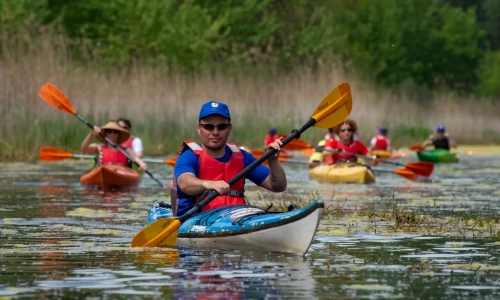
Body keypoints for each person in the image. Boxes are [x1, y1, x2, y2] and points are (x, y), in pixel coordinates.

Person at [173, 101, 287, 216]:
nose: (215, 132)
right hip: (196, 220)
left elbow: (278, 186)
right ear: (199, 128)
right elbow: (185, 183)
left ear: (229, 129)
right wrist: (208, 184)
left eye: (221, 127)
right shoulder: (189, 156)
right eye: (209, 127)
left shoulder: (243, 157)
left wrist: (273, 163)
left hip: (236, 218)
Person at [81, 120, 147, 171]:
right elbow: (84, 148)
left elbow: (136, 158)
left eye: (115, 131)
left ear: (118, 134)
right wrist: (91, 134)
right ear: (105, 133)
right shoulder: (99, 147)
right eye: (109, 131)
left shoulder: (126, 149)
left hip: (121, 173)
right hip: (103, 171)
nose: (112, 133)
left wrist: (142, 164)